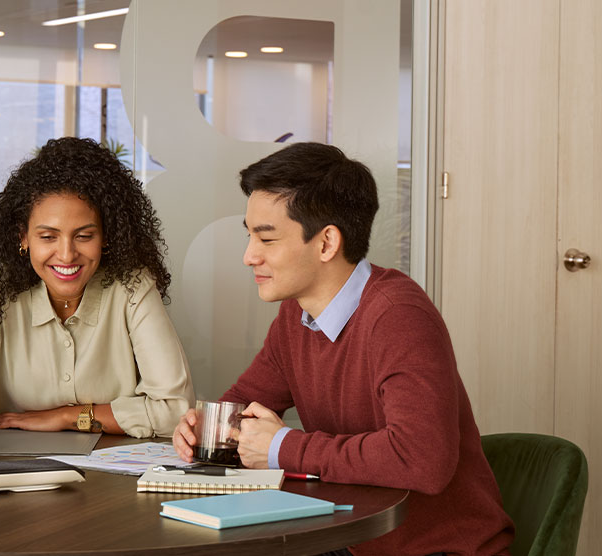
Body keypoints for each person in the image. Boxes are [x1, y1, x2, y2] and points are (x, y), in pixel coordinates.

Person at [172, 143, 513, 555]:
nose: (249, 256)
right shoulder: (295, 316)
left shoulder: (397, 316)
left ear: (326, 243)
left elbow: (423, 459)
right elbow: (244, 404)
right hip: (351, 539)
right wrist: (204, 430)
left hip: (434, 550)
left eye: (266, 238)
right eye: (249, 236)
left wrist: (284, 447)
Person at [0, 137, 195, 454]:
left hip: (110, 482)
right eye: (48, 236)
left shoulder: (132, 286)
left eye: (84, 236)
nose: (66, 255)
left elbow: (175, 408)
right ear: (23, 237)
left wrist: (66, 416)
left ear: (106, 236)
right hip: (13, 477)